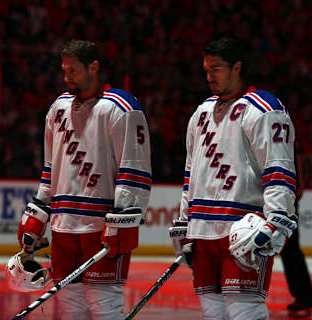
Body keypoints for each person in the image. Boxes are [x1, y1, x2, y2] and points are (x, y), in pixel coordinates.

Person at [15, 40, 152, 319]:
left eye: (74, 71)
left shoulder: (120, 107)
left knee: (105, 307)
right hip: (63, 227)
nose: (67, 78)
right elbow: (49, 169)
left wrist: (120, 222)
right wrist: (38, 214)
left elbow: (134, 168)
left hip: (99, 227)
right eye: (64, 71)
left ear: (94, 67)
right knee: (70, 308)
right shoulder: (58, 108)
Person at [170, 37, 297, 319]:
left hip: (243, 231)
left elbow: (278, 169)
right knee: (213, 314)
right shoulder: (201, 112)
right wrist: (184, 222)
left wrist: (277, 221)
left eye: (216, 68)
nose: (209, 76)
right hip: (203, 231)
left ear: (237, 67)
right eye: (206, 69)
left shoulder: (264, 109)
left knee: (245, 311)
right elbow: (191, 171)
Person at [280, 142, 312, 318]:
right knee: (290, 252)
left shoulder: (291, 143)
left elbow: (300, 182)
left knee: (290, 251)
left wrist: (291, 202)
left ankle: (304, 298)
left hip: (286, 201)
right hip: (274, 198)